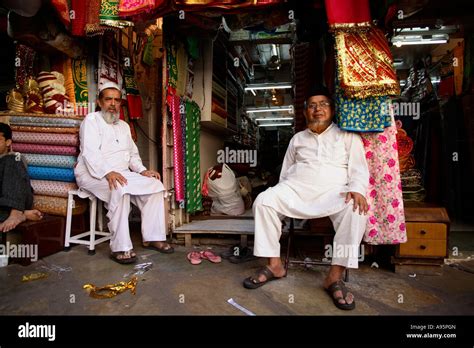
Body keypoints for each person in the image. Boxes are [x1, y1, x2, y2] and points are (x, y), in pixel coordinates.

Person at [243, 87, 369, 310]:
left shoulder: (348, 135)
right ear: (305, 112)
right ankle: (274, 265)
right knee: (264, 200)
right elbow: (285, 172)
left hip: (335, 192)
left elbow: (359, 170)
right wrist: (280, 195)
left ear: (332, 109)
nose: (317, 109)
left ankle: (334, 276)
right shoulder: (297, 139)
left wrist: (357, 189)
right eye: (312, 105)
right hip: (296, 189)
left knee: (357, 209)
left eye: (323, 104)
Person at [74, 82, 173, 264]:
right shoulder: (91, 121)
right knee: (120, 189)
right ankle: (121, 247)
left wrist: (143, 171)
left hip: (122, 173)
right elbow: (90, 153)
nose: (113, 104)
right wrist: (107, 172)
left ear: (120, 103)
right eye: (108, 99)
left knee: (156, 185)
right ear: (99, 102)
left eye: (117, 100)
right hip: (92, 173)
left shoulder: (124, 126)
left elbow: (132, 155)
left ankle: (152, 237)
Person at [0, 122, 43, 232]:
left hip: (17, 198)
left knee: (12, 160)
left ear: (8, 142)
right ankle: (23, 214)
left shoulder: (16, 158)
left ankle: (16, 212)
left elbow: (18, 182)